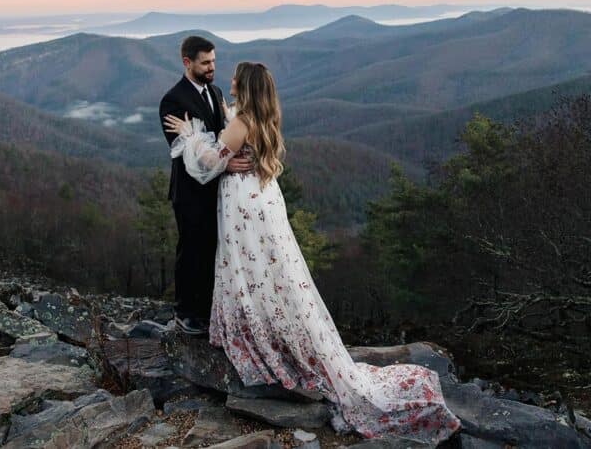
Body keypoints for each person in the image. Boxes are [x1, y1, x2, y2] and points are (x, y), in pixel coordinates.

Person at [163, 61, 461, 445]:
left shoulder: (241, 123)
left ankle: (261, 333)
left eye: (236, 79)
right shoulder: (259, 116)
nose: (229, 81)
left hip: (243, 205)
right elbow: (232, 133)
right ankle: (281, 327)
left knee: (248, 269)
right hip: (264, 197)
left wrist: (189, 137)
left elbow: (207, 163)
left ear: (247, 87)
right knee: (273, 270)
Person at [159, 36, 252, 336]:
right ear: (187, 63)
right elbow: (187, 156)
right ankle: (186, 313)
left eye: (214, 61)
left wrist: (230, 160)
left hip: (219, 189)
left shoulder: (215, 91)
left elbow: (224, 137)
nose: (212, 67)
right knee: (192, 249)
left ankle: (210, 310)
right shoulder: (172, 100)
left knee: (214, 249)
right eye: (205, 63)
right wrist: (226, 162)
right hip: (190, 192)